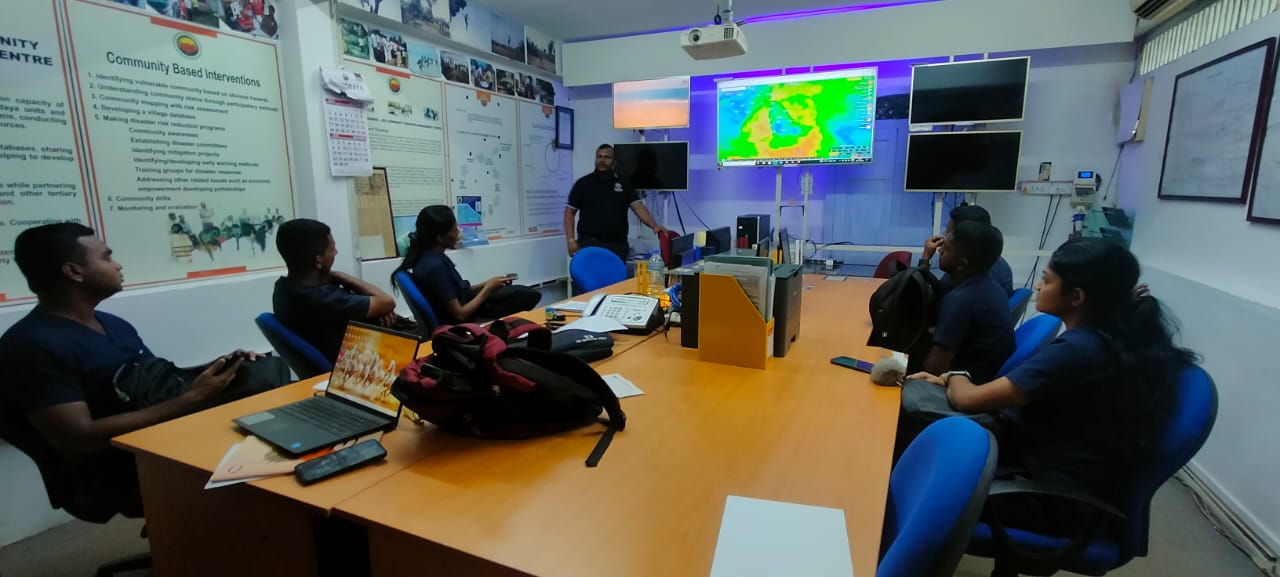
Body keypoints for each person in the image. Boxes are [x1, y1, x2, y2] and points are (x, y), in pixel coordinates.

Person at [906, 238, 1198, 537]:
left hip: (1046, 500)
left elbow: (968, 400)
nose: (1037, 286)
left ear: (1076, 296)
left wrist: (956, 374)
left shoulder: (1077, 350)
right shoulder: (1110, 339)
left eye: (1046, 280)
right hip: (1057, 477)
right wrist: (954, 382)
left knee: (907, 476)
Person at [0, 223, 259, 517]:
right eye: (106, 257)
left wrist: (221, 366)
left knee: (270, 428)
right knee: (262, 465)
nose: (118, 265)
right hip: (115, 469)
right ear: (74, 272)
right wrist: (192, 399)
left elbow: (157, 382)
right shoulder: (32, 347)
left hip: (163, 438)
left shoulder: (112, 324)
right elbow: (78, 438)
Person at [272, 219, 401, 362]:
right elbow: (387, 302)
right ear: (318, 261)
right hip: (372, 361)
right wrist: (341, 276)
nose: (336, 253)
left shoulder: (283, 288)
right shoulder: (323, 299)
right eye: (332, 249)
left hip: (364, 348)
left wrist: (378, 312)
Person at [392, 205, 541, 325]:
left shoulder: (427, 257)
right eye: (454, 229)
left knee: (520, 293)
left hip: (468, 304)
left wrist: (488, 283)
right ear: (439, 236)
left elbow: (456, 291)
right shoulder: (435, 267)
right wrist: (488, 289)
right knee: (526, 295)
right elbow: (460, 314)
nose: (458, 233)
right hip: (466, 321)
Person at [910, 221, 1015, 384]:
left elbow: (934, 369)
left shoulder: (960, 299)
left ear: (962, 264)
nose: (940, 250)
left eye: (946, 249)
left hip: (965, 385)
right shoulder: (991, 287)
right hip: (984, 376)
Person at [564, 144, 666, 262]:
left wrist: (655, 226)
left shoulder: (624, 184)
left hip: (617, 246)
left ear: (614, 162)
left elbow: (638, 208)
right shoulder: (583, 184)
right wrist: (570, 240)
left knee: (616, 274)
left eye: (607, 157)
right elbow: (569, 212)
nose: (602, 160)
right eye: (599, 156)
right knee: (590, 274)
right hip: (589, 244)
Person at [921, 204, 1015, 296]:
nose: (944, 235)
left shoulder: (974, 271)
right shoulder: (987, 258)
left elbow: (938, 297)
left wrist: (925, 258)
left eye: (948, 231)